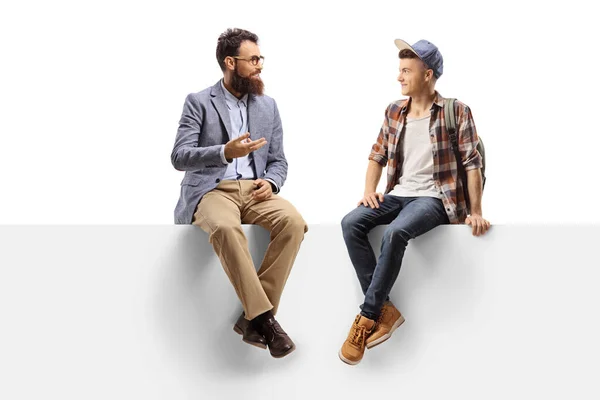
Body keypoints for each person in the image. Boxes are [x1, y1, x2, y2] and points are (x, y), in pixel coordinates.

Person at [338, 39, 490, 365]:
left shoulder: (456, 111)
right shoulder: (395, 110)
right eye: (399, 70)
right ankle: (386, 310)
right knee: (351, 223)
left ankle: (366, 318)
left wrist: (476, 211)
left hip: (435, 197)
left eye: (406, 71)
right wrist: (369, 190)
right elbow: (377, 154)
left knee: (395, 233)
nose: (399, 77)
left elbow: (471, 163)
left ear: (428, 74)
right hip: (398, 193)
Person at [171, 28, 307, 359]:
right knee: (226, 229)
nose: (260, 65)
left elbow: (278, 160)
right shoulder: (199, 101)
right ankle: (265, 319)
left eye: (261, 58)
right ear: (231, 62)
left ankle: (251, 319)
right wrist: (223, 152)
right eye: (254, 59)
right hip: (213, 189)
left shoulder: (268, 106)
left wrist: (271, 182)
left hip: (257, 191)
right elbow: (179, 156)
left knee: (294, 223)